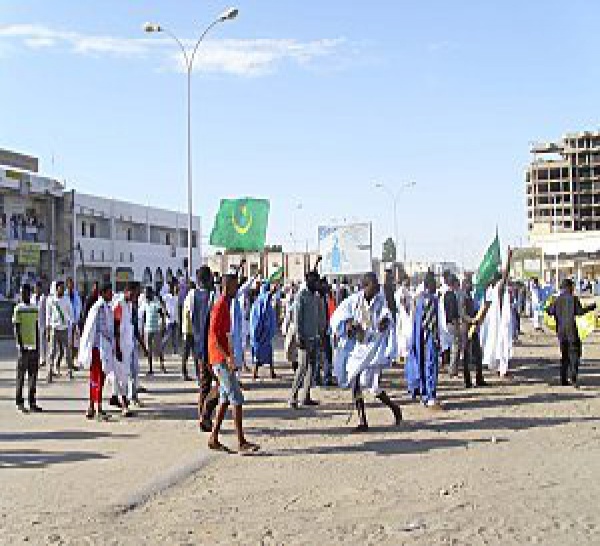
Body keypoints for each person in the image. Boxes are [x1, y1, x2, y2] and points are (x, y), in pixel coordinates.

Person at [330, 272, 402, 431]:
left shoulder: (380, 300)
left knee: (373, 386)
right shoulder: (353, 301)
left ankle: (394, 407)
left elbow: (386, 315)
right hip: (357, 350)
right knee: (355, 382)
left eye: (377, 286)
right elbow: (338, 316)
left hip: (372, 349)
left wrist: (385, 321)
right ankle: (363, 421)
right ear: (365, 286)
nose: (377, 288)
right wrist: (348, 324)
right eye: (374, 285)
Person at [207, 273, 259, 454]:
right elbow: (214, 336)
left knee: (224, 398)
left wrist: (232, 358)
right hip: (218, 359)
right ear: (227, 286)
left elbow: (226, 336)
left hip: (224, 359)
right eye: (235, 286)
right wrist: (226, 357)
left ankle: (213, 437)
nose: (237, 289)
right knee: (236, 398)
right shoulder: (220, 306)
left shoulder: (227, 306)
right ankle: (241, 441)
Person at [547, 278, 596, 388]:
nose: (573, 289)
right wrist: (592, 307)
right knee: (574, 355)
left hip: (561, 333)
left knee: (564, 355)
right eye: (572, 287)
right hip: (572, 332)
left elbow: (549, 311)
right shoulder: (573, 299)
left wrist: (549, 308)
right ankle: (573, 378)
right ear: (569, 287)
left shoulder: (557, 300)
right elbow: (580, 312)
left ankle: (563, 379)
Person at [78, 284, 116, 420]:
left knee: (98, 377)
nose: (112, 295)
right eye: (110, 292)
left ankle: (92, 407)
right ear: (104, 293)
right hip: (98, 348)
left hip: (102, 348)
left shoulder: (105, 307)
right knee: (97, 378)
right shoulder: (100, 308)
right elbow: (101, 329)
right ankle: (97, 407)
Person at [405, 271, 442, 409]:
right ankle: (430, 396)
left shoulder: (418, 299)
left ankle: (423, 393)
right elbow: (433, 325)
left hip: (418, 337)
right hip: (428, 338)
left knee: (420, 363)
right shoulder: (432, 300)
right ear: (429, 284)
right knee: (430, 364)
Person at [289, 271, 322, 408]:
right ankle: (293, 397)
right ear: (308, 282)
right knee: (302, 367)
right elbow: (297, 318)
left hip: (314, 337)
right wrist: (298, 336)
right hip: (304, 338)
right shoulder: (301, 296)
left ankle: (306, 396)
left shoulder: (315, 297)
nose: (317, 284)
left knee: (312, 368)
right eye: (315, 282)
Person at [481, 249, 513, 379]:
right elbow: (505, 275)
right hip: (500, 323)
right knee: (502, 345)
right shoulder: (498, 290)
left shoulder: (490, 290)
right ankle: (502, 371)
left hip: (495, 323)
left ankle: (499, 368)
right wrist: (509, 258)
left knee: (497, 345)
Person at [193, 266, 219, 432]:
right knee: (221, 384)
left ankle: (203, 417)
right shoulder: (212, 297)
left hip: (198, 347)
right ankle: (206, 414)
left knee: (204, 385)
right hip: (211, 348)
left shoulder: (191, 296)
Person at [13, 283, 42, 413]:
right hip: (23, 348)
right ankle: (19, 402)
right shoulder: (18, 309)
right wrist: (20, 345)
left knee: (33, 377)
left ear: (30, 294)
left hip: (33, 347)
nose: (23, 295)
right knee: (21, 376)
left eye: (25, 293)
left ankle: (32, 401)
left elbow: (36, 327)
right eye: (21, 293)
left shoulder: (35, 308)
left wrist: (37, 346)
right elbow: (16, 328)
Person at [460, 273, 486, 388]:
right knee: (466, 356)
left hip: (473, 328)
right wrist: (473, 320)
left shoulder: (470, 297)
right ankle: (467, 381)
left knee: (477, 355)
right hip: (466, 330)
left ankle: (479, 378)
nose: (472, 286)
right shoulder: (463, 297)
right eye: (470, 283)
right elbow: (463, 315)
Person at [46, 280, 74, 381]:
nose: (62, 289)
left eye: (63, 287)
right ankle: (49, 372)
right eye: (60, 287)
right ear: (56, 288)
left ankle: (70, 371)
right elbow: (48, 316)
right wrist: (48, 330)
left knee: (68, 351)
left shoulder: (66, 299)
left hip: (64, 328)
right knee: (52, 352)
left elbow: (71, 313)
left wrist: (72, 325)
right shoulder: (51, 300)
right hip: (54, 328)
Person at [249, 282, 277, 380]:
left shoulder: (262, 302)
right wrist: (272, 292)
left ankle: (272, 372)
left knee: (268, 353)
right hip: (259, 333)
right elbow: (266, 297)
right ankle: (255, 373)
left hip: (265, 333)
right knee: (258, 354)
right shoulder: (261, 300)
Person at [141, 286, 165, 375]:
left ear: (151, 293)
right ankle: (150, 369)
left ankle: (162, 366)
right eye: (145, 293)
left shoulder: (156, 302)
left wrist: (162, 325)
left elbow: (162, 314)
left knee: (159, 349)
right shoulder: (145, 303)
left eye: (147, 293)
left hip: (156, 329)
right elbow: (144, 316)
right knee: (148, 349)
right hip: (147, 329)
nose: (145, 295)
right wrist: (142, 329)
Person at [181, 281, 196, 380]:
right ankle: (184, 372)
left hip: (188, 329)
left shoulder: (188, 298)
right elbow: (191, 314)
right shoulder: (190, 298)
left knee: (191, 352)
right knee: (188, 352)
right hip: (189, 329)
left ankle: (187, 372)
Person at [161, 281, 180, 357]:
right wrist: (165, 312)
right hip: (169, 319)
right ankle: (161, 349)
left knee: (175, 337)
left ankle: (175, 352)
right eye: (175, 288)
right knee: (167, 336)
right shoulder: (167, 296)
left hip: (175, 319)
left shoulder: (176, 297)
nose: (176, 289)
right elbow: (161, 302)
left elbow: (177, 308)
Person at [32, 281, 48, 370]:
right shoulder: (32, 298)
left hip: (42, 322)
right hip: (34, 322)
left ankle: (43, 359)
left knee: (42, 342)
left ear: (40, 288)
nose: (36, 289)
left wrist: (46, 324)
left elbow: (46, 312)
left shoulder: (44, 298)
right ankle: (35, 358)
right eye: (35, 288)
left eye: (38, 288)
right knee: (35, 342)